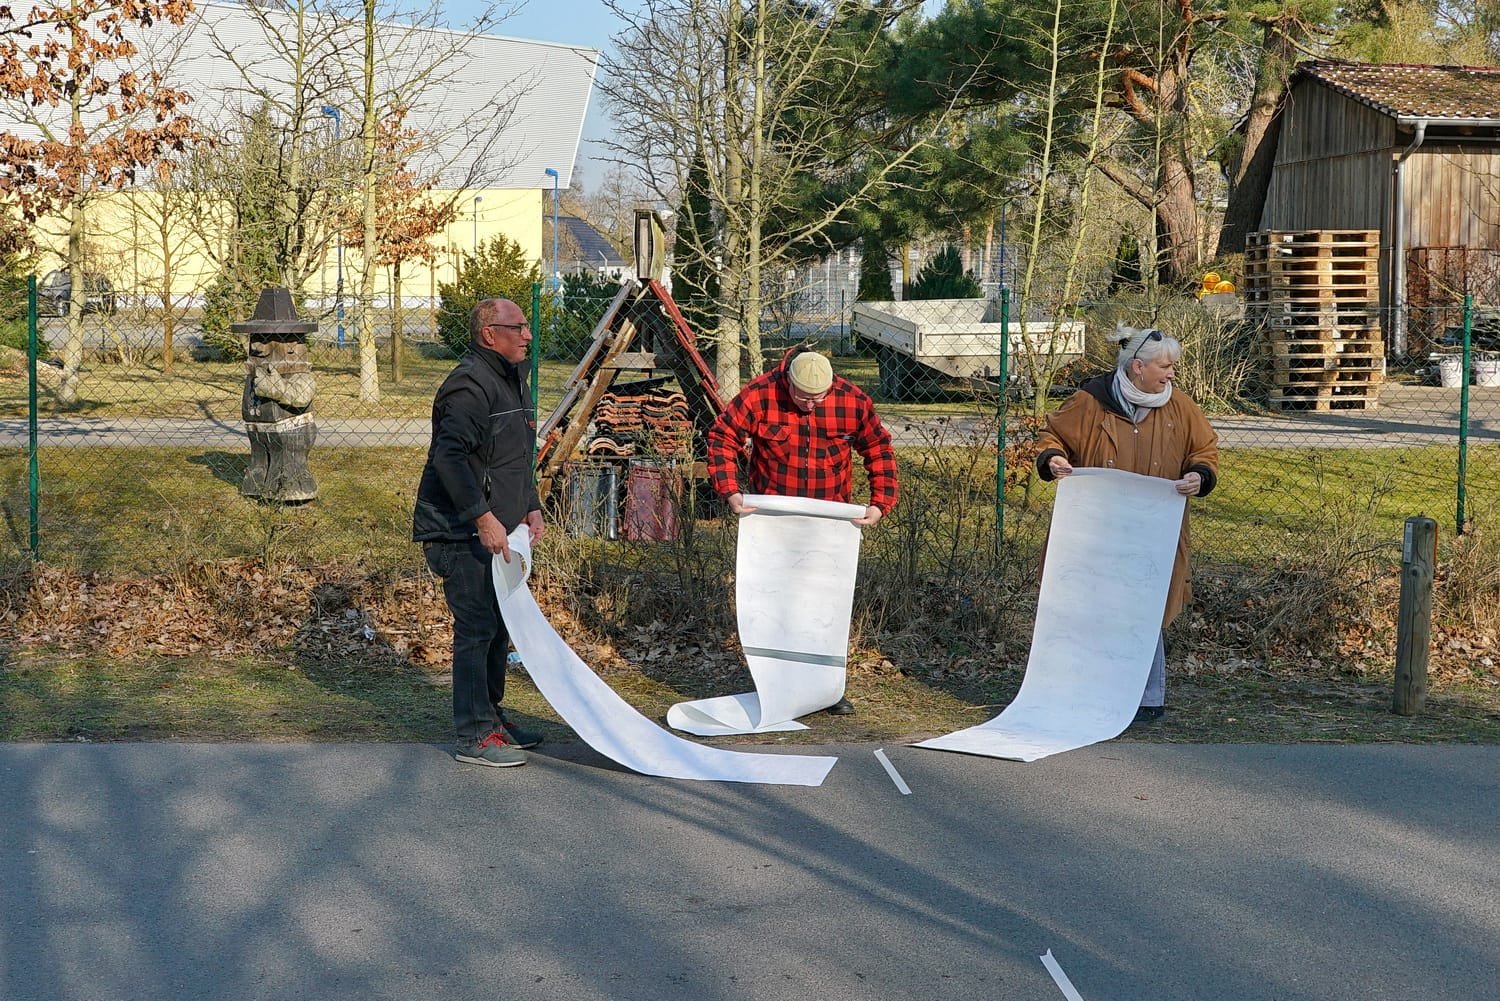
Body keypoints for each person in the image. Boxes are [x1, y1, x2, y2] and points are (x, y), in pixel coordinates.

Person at [1034, 324, 1219, 725]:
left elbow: (1205, 450)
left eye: (1173, 366)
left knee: (1146, 603)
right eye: (1165, 366)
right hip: (1096, 529)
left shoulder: (1181, 408)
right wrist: (1053, 459)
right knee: (1091, 605)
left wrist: (1199, 475)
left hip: (1154, 531)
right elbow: (1052, 435)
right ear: (1138, 367)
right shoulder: (1090, 401)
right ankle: (1081, 691)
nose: (1171, 373)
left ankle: (1148, 697)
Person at [706, 345, 899, 715]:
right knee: (770, 600)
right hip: (772, 519)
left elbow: (878, 447)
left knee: (824, 604)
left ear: (832, 386)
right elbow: (722, 438)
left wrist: (880, 501)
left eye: (819, 398)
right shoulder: (760, 394)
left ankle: (825, 689)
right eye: (802, 397)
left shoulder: (853, 401)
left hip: (830, 520)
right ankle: (772, 681)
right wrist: (730, 490)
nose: (810, 405)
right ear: (787, 381)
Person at [413, 297, 546, 767]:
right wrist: (482, 518)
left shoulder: (511, 380)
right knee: (477, 629)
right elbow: (449, 459)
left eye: (527, 327)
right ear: (490, 333)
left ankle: (492, 720)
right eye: (519, 327)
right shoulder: (469, 386)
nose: (527, 335)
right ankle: (473, 735)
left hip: (502, 531)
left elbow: (514, 458)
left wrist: (530, 506)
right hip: (459, 531)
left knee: (498, 628)